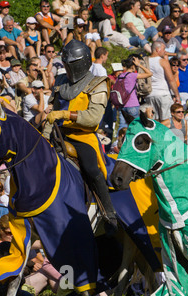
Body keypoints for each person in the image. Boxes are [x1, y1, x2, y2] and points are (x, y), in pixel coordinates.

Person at [44, 40, 117, 234]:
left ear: (82, 62)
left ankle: (109, 215)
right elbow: (53, 106)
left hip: (81, 136)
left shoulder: (98, 84)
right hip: (56, 132)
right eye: (66, 63)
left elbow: (93, 119)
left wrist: (65, 115)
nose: (68, 67)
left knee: (92, 168)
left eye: (72, 63)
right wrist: (47, 120)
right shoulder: (60, 81)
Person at [146, 41, 181, 127]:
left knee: (154, 122)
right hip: (163, 94)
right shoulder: (163, 61)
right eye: (164, 49)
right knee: (167, 121)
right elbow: (171, 80)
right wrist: (177, 95)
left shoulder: (145, 61)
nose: (165, 51)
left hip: (149, 94)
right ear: (157, 49)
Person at [116, 54, 153, 131]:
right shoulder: (132, 75)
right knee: (136, 127)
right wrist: (139, 65)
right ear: (133, 66)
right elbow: (149, 73)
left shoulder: (120, 76)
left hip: (122, 105)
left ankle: (120, 141)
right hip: (132, 105)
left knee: (122, 127)